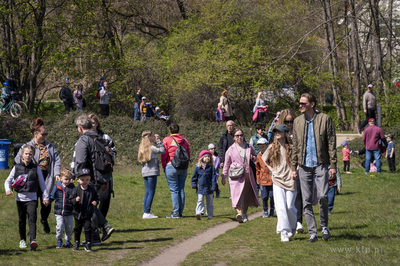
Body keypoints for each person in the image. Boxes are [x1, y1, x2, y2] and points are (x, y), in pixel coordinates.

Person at [291, 93, 337, 242]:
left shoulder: (325, 119)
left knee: (323, 196)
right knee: (306, 201)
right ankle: (313, 233)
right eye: (299, 103)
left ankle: (324, 226)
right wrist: (294, 167)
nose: (300, 105)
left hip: (321, 164)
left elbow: (331, 143)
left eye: (303, 103)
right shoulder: (297, 122)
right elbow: (296, 146)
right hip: (304, 166)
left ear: (312, 104)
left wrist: (333, 165)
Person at [71, 114, 114, 244]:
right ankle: (102, 231)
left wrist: (77, 176)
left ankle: (99, 233)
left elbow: (81, 161)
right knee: (91, 206)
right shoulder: (99, 137)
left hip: (89, 178)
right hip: (103, 176)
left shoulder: (83, 140)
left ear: (80, 127)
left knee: (89, 207)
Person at [15, 117, 61, 234]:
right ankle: (32, 229)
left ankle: (44, 219)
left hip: (47, 177)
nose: (45, 136)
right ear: (36, 134)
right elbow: (17, 159)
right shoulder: (27, 146)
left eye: (46, 134)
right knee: (32, 205)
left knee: (46, 203)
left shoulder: (50, 146)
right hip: (33, 178)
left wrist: (56, 174)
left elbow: (56, 161)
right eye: (43, 134)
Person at [4, 145, 49, 251]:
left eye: (30, 154)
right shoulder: (16, 167)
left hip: (32, 198)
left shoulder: (36, 168)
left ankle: (33, 240)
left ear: (33, 156)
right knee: (21, 220)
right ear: (21, 155)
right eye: (26, 154)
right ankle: (22, 240)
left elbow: (42, 184)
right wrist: (7, 190)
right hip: (20, 199)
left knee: (32, 219)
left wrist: (45, 197)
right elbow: (7, 181)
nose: (28, 156)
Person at [263, 124, 297, 242]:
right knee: (281, 207)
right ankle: (284, 231)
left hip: (291, 180)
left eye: (279, 131)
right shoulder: (272, 147)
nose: (277, 133)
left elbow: (299, 161)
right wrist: (272, 169)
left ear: (285, 133)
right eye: (276, 131)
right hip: (277, 180)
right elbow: (264, 159)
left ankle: (292, 226)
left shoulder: (292, 147)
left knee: (289, 206)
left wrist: (295, 170)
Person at [221, 128, 260, 223]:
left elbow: (255, 157)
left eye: (241, 135)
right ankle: (239, 213)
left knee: (246, 195)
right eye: (237, 136)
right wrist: (224, 176)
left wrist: (252, 157)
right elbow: (226, 164)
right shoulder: (230, 150)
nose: (240, 137)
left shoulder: (249, 147)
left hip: (247, 175)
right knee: (236, 195)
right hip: (235, 175)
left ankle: (244, 214)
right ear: (234, 137)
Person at [89, 113, 117, 218]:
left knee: (105, 198)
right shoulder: (84, 138)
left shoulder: (105, 137)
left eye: (93, 122)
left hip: (105, 173)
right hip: (90, 173)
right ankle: (93, 222)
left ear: (97, 123)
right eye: (90, 123)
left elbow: (114, 151)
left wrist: (107, 161)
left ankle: (101, 221)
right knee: (90, 199)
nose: (92, 125)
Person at [161, 123, 191, 218]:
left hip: (171, 166)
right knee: (181, 189)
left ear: (170, 131)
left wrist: (164, 165)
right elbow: (188, 155)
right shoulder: (184, 141)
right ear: (179, 130)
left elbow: (164, 154)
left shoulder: (167, 140)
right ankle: (180, 212)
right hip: (183, 167)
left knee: (174, 190)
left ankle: (176, 213)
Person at [69, 168, 99, 252]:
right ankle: (76, 242)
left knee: (87, 228)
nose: (85, 182)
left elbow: (97, 198)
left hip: (88, 213)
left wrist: (95, 202)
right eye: (82, 180)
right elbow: (70, 200)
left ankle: (88, 243)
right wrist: (75, 200)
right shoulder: (75, 190)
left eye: (87, 180)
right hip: (78, 213)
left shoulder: (91, 190)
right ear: (78, 180)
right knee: (77, 229)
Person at [138, 130, 165, 219]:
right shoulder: (152, 147)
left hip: (145, 172)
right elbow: (162, 151)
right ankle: (147, 212)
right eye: (152, 136)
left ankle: (146, 211)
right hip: (152, 172)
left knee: (147, 192)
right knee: (151, 192)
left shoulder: (142, 147)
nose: (153, 138)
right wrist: (158, 141)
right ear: (149, 137)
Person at [50, 168, 75, 249]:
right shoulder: (57, 187)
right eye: (65, 179)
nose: (67, 181)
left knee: (69, 227)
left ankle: (68, 241)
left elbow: (75, 198)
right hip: (59, 211)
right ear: (61, 178)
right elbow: (52, 196)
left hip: (69, 212)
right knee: (60, 226)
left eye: (69, 179)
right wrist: (48, 201)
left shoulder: (72, 187)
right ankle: (59, 240)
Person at [191, 150, 217, 220]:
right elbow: (194, 177)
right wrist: (194, 184)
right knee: (200, 200)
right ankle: (198, 213)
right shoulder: (198, 167)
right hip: (200, 187)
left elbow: (214, 178)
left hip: (209, 187)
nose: (207, 158)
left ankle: (210, 215)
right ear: (202, 157)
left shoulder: (211, 168)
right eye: (205, 156)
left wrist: (214, 186)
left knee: (210, 202)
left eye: (209, 156)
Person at [255, 137, 274, 218]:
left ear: (267, 146)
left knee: (272, 195)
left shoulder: (272, 155)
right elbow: (258, 169)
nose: (262, 149)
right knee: (264, 196)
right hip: (263, 180)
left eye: (263, 147)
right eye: (260, 147)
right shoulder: (259, 156)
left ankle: (272, 208)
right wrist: (258, 178)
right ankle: (265, 210)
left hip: (272, 180)